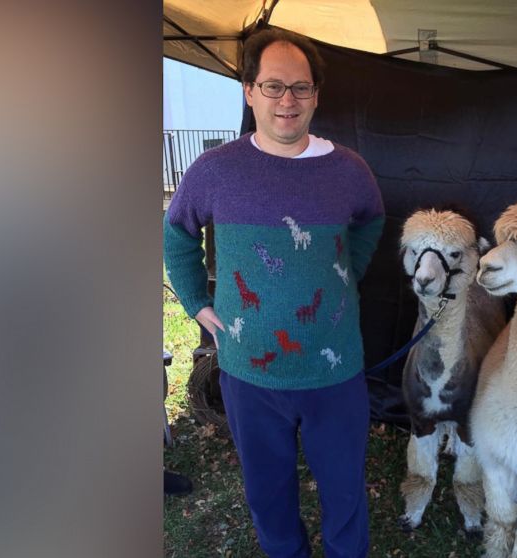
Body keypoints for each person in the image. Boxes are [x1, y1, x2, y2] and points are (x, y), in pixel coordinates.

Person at [163, 28, 384, 558]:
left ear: (316, 95)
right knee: (268, 495)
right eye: (274, 86)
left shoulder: (349, 171)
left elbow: (371, 222)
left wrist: (342, 274)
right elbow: (176, 233)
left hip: (334, 372)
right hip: (250, 374)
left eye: (301, 88)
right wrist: (197, 303)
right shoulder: (215, 171)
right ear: (249, 91)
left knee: (345, 494)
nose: (288, 100)